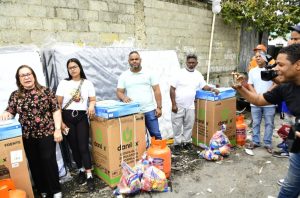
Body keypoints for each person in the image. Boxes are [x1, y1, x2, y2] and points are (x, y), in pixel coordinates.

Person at [232, 44, 300, 198]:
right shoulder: (285, 87)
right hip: (297, 145)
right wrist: (240, 87)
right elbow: (258, 99)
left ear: (298, 65)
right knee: (289, 188)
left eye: (281, 65)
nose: (277, 69)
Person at [0, 65, 63, 198]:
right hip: (27, 136)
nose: (27, 77)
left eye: (29, 74)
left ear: (34, 76)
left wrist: (58, 129)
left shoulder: (46, 92)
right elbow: (10, 111)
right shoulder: (16, 95)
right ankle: (43, 190)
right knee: (34, 163)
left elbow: (56, 110)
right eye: (23, 75)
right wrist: (5, 113)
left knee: (48, 160)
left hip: (46, 133)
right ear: (19, 79)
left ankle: (56, 190)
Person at [56, 58, 96, 192]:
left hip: (81, 118)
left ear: (80, 67)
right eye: (70, 67)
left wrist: (91, 106)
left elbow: (92, 99)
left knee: (83, 146)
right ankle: (80, 170)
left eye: (75, 66)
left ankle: (89, 174)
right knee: (74, 147)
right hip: (67, 118)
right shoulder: (63, 83)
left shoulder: (87, 83)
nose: (72, 69)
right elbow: (58, 105)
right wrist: (60, 122)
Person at [170, 54, 219, 154]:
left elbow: (203, 86)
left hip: (190, 105)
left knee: (189, 125)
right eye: (189, 62)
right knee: (177, 126)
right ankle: (177, 144)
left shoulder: (198, 74)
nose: (191, 64)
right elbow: (172, 89)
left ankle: (187, 142)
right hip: (178, 105)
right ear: (186, 63)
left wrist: (212, 88)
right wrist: (173, 104)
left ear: (196, 63)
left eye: (193, 63)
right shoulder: (179, 73)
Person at [117, 51, 162, 140]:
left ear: (140, 60)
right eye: (132, 59)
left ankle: (158, 153)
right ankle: (143, 153)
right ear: (129, 61)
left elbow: (157, 90)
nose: (134, 61)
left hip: (149, 110)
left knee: (155, 134)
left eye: (136, 59)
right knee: (138, 137)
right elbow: (119, 92)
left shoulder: (149, 73)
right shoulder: (124, 75)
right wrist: (124, 97)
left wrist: (159, 107)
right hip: (133, 111)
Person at [246, 51, 277, 153]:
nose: (258, 58)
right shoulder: (252, 71)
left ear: (265, 58)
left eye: (260, 56)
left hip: (269, 101)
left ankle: (267, 143)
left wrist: (268, 92)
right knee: (255, 122)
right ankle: (255, 141)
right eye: (256, 56)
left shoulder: (272, 70)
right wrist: (255, 95)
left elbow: (277, 83)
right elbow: (249, 84)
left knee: (269, 123)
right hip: (255, 101)